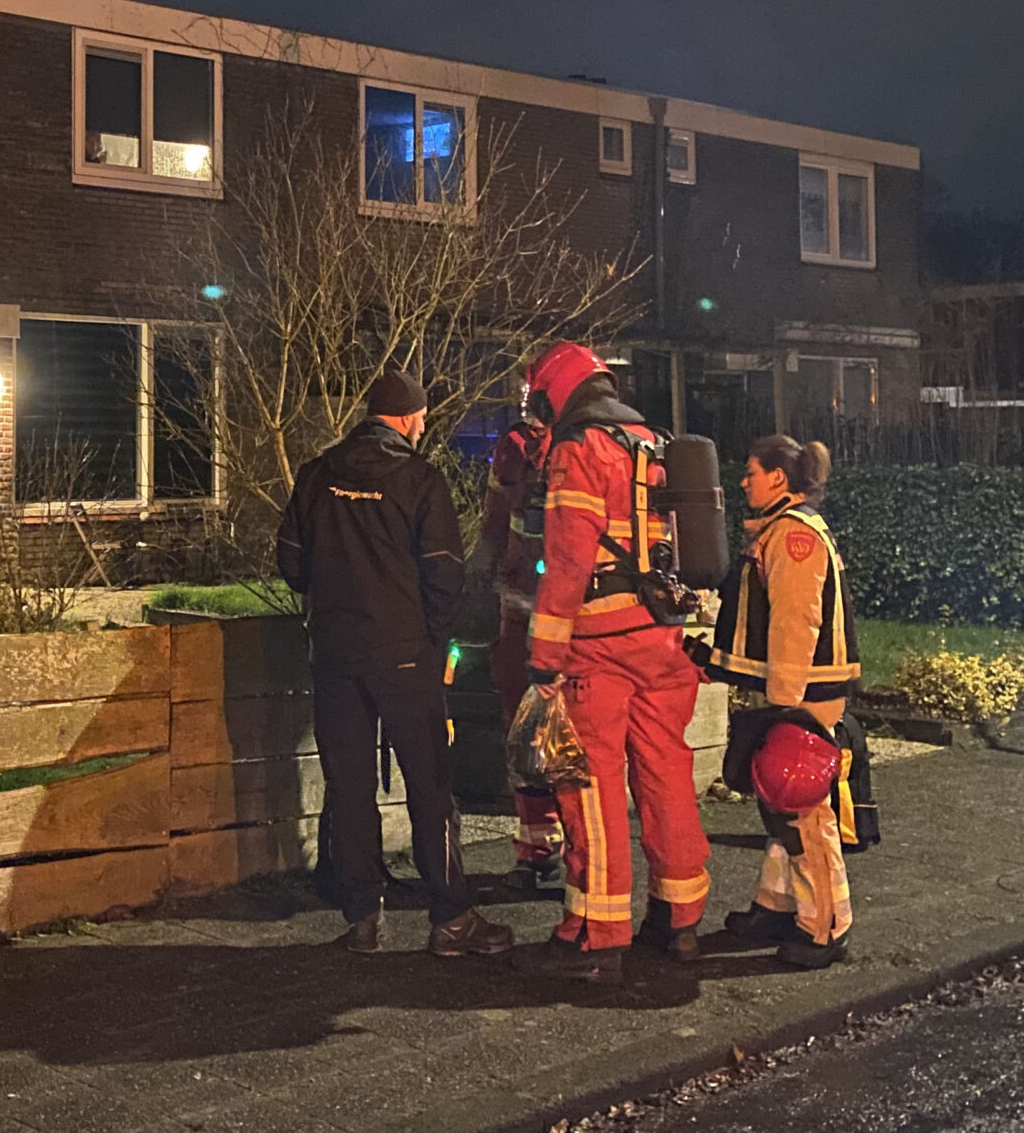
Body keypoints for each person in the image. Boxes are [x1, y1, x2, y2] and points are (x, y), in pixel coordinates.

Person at [276, 368, 514, 958]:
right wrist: (428, 639)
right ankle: (451, 918)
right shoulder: (419, 480)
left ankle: (362, 918)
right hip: (406, 657)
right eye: (424, 417)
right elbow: (445, 575)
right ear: (409, 418)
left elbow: (291, 562)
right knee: (431, 787)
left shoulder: (316, 475)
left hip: (334, 655)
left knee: (350, 787)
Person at [523, 342, 711, 983]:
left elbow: (569, 562)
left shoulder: (579, 450)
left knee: (590, 786)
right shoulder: (651, 444)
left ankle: (600, 935)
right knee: (666, 777)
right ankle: (680, 920)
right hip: (661, 640)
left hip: (597, 651)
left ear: (556, 393)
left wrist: (544, 657)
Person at [706, 434, 863, 968]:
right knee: (782, 810)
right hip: (802, 691)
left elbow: (796, 621)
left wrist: (783, 704)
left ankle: (825, 926)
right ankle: (777, 907)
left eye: (751, 471)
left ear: (778, 477)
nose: (743, 480)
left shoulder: (792, 537)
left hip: (804, 695)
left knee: (803, 814)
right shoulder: (784, 530)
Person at [468, 375, 566, 892]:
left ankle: (556, 844)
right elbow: (497, 520)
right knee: (526, 733)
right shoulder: (517, 448)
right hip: (525, 613)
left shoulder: (580, 448)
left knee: (554, 736)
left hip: (557, 619)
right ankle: (538, 845)